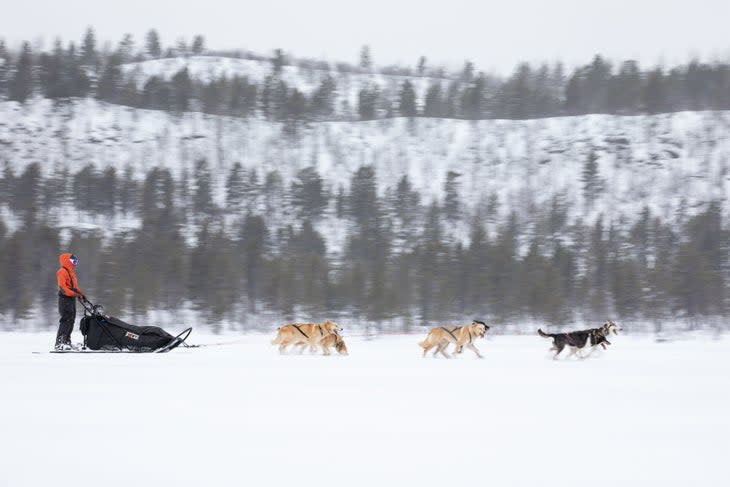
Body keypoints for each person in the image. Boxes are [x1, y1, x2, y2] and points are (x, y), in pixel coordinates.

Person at [55, 253, 84, 350]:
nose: (75, 263)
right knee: (66, 320)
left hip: (71, 299)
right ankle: (60, 343)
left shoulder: (71, 273)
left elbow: (74, 288)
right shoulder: (62, 271)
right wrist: (74, 294)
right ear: (67, 261)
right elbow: (63, 288)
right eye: (73, 261)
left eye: (76, 261)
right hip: (64, 299)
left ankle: (67, 341)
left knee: (71, 321)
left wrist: (81, 294)